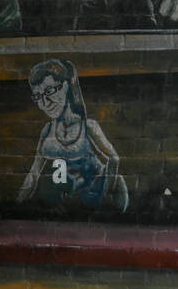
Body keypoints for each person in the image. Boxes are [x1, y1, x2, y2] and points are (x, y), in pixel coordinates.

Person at [17, 58, 128, 213]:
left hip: (95, 196)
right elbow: (34, 174)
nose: (45, 102)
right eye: (38, 96)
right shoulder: (47, 131)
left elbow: (113, 158)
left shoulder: (88, 126)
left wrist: (105, 190)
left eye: (49, 91)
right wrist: (17, 204)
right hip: (68, 202)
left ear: (66, 86)